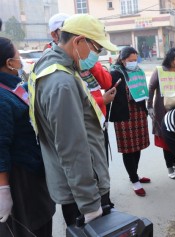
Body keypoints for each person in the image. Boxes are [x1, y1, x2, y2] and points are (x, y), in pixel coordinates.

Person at [28, 14, 117, 226]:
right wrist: (90, 204)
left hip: (74, 185)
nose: (96, 55)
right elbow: (73, 149)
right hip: (82, 192)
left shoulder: (51, 65)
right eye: (96, 48)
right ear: (78, 41)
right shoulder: (62, 82)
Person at [0, 37, 55, 236]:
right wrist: (3, 188)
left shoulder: (14, 86)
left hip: (33, 169)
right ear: (9, 63)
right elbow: (1, 146)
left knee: (41, 220)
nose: (20, 60)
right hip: (20, 179)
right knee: (30, 227)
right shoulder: (2, 97)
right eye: (18, 56)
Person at [46, 13, 116, 160]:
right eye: (97, 48)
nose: (97, 53)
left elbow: (106, 82)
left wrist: (89, 61)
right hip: (85, 134)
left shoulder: (80, 60)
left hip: (97, 123)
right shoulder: (60, 78)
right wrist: (102, 101)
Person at [108, 46, 151, 197]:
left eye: (135, 60)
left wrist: (147, 110)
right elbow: (108, 95)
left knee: (138, 147)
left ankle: (135, 175)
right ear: (122, 59)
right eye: (130, 60)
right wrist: (104, 117)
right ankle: (134, 180)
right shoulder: (114, 73)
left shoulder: (138, 72)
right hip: (124, 116)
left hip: (138, 113)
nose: (133, 63)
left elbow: (144, 91)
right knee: (128, 149)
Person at [147, 47, 175, 179]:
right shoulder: (159, 71)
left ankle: (174, 161)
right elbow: (151, 88)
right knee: (166, 139)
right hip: (162, 111)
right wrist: (149, 106)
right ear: (169, 58)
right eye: (174, 59)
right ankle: (169, 166)